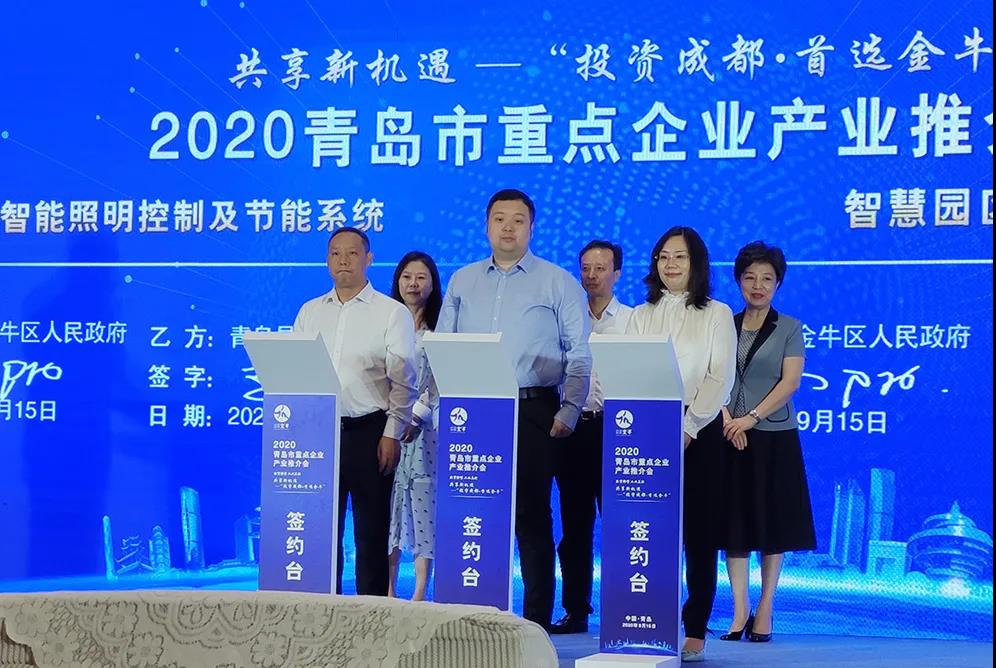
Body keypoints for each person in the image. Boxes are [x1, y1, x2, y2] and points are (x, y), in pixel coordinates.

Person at [437, 188, 592, 629]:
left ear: (531, 227)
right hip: (474, 412)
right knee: (474, 511)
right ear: (486, 226)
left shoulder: (558, 281)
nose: (508, 227)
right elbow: (442, 345)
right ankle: (471, 610)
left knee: (531, 515)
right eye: (500, 219)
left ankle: (534, 620)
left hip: (533, 409)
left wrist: (571, 407)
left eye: (518, 220)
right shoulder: (462, 280)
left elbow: (580, 352)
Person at [625, 226, 736, 663]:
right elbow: (628, 370)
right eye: (663, 256)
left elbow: (719, 377)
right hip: (647, 431)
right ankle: (644, 616)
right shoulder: (640, 314)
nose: (670, 264)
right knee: (647, 526)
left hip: (699, 431)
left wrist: (689, 427)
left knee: (699, 534)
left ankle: (695, 627)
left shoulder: (716, 313)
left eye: (680, 257)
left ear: (697, 264)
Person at [293, 227, 419, 596]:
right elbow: (294, 370)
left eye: (352, 253)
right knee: (319, 531)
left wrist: (392, 432)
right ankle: (321, 610)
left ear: (369, 259)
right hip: (319, 434)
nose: (343, 261)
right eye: (335, 253)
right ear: (327, 260)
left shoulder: (391, 313)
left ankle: (371, 615)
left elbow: (404, 381)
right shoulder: (310, 312)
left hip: (371, 432)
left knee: (371, 534)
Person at [718, 241, 817, 644]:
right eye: (750, 278)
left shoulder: (790, 327)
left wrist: (750, 418)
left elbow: (790, 382)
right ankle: (739, 610)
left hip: (774, 435)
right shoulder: (723, 324)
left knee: (773, 524)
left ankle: (766, 607)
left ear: (778, 284)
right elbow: (712, 374)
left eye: (767, 279)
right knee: (734, 524)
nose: (757, 286)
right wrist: (727, 419)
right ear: (738, 280)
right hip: (728, 434)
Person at [550, 240, 633, 635]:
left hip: (619, 430)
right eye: (585, 268)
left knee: (622, 522)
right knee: (575, 525)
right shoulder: (565, 319)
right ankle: (576, 609)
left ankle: (626, 606)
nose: (592, 276)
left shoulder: (633, 320)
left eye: (601, 268)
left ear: (617, 273)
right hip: (574, 428)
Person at [387, 251, 443, 601]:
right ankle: (388, 590)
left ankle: (420, 591)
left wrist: (416, 415)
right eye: (407, 277)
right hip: (387, 428)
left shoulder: (441, 331)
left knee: (423, 507)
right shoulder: (384, 324)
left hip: (425, 433)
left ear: (432, 284)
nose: (413, 284)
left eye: (421, 277)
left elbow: (438, 380)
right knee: (388, 509)